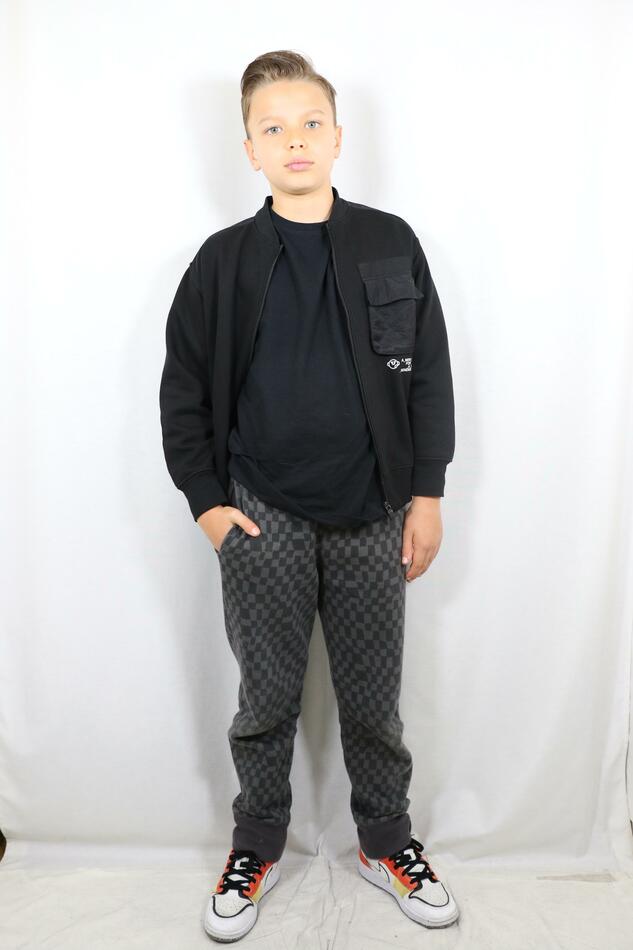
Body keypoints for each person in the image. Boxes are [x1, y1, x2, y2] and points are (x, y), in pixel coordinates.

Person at [159, 48, 459, 942]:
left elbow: (429, 376)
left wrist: (426, 494)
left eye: (309, 123)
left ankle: (385, 842)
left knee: (373, 699)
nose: (294, 139)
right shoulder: (221, 262)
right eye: (273, 127)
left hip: (374, 508)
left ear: (337, 136)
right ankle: (255, 844)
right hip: (260, 511)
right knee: (265, 699)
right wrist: (208, 505)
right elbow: (183, 390)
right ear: (249, 149)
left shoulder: (390, 241)